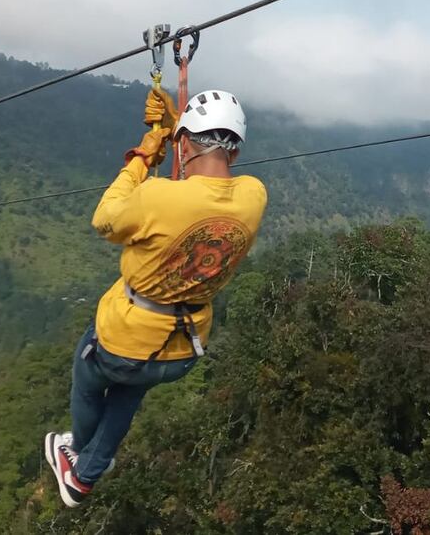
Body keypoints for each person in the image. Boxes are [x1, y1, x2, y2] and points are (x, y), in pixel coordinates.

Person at [44, 87, 267, 508]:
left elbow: (105, 219)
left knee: (88, 380)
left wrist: (144, 157)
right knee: (129, 394)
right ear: (234, 154)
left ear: (184, 144)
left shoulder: (155, 196)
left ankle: (81, 464)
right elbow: (198, 195)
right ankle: (89, 468)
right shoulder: (254, 196)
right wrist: (178, 128)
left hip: (124, 343)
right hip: (183, 350)